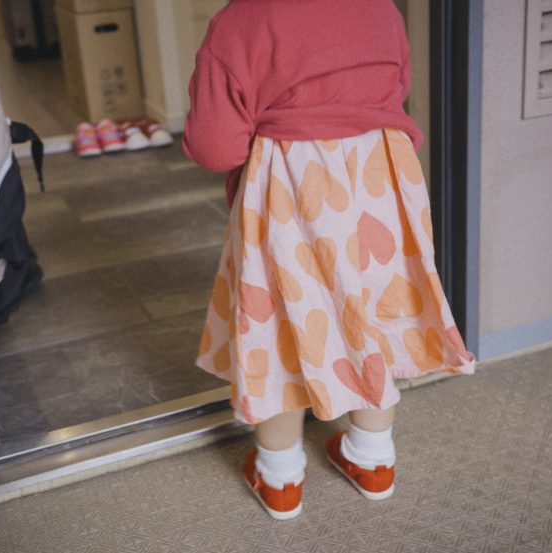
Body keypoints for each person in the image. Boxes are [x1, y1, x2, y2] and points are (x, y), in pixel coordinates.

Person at [182, 0, 475, 520]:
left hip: (292, 185)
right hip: (380, 178)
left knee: (280, 322)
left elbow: (214, 146)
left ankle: (279, 476)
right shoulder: (379, 8)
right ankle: (372, 457)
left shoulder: (240, 21)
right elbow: (398, 86)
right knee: (371, 311)